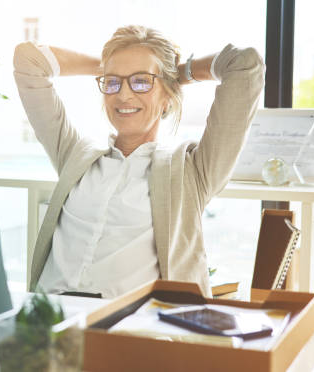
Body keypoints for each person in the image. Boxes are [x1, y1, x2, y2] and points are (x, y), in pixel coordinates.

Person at [14, 25, 265, 298]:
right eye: (113, 83)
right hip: (46, 321)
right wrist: (108, 67)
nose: (123, 95)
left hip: (129, 329)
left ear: (168, 97)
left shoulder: (192, 172)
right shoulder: (76, 156)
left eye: (141, 82)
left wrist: (179, 74)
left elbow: (244, 64)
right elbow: (28, 60)